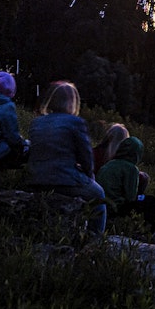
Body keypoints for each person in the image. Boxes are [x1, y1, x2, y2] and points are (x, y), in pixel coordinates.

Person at [25, 81, 106, 233]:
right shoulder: (75, 122)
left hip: (35, 180)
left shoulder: (36, 123)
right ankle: (96, 238)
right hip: (63, 180)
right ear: (73, 101)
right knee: (99, 194)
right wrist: (89, 176)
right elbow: (86, 158)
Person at [97, 136, 155, 233]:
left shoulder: (110, 163)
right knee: (150, 200)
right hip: (115, 207)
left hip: (101, 204)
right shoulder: (131, 168)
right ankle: (148, 232)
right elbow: (131, 197)